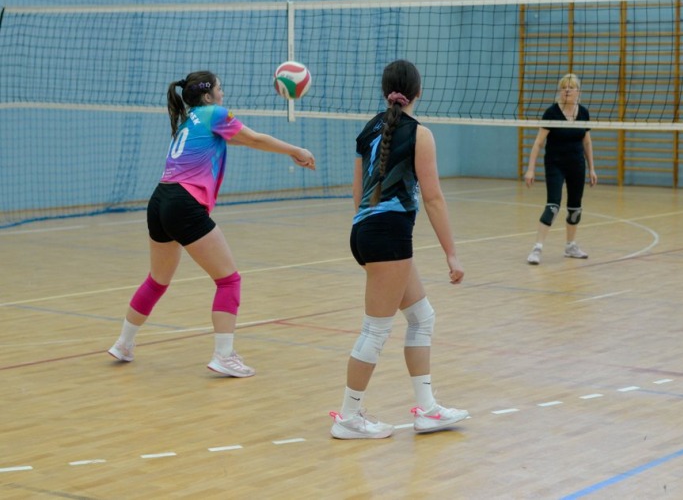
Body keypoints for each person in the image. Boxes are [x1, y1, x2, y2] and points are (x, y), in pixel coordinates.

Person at [107, 71, 316, 377]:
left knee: (157, 280)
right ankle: (224, 356)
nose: (223, 93)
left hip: (160, 201)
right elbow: (254, 138)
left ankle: (124, 343)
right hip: (184, 203)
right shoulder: (214, 114)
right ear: (208, 96)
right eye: (220, 88)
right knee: (228, 280)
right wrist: (296, 150)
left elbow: (244, 141)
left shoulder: (188, 121)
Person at [329, 59, 468, 440]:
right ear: (418, 92)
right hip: (388, 236)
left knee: (422, 318)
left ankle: (428, 409)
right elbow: (434, 198)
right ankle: (348, 417)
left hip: (366, 231)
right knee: (375, 330)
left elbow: (357, 192)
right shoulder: (420, 134)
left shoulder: (369, 129)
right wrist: (451, 254)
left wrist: (370, 230)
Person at [523, 73, 597, 264]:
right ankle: (537, 248)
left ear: (578, 91)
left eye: (571, 87)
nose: (567, 91)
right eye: (564, 87)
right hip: (555, 164)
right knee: (553, 206)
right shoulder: (551, 113)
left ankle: (570, 246)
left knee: (575, 208)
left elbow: (587, 143)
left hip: (577, 165)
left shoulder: (584, 113)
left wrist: (592, 168)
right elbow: (538, 143)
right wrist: (530, 169)